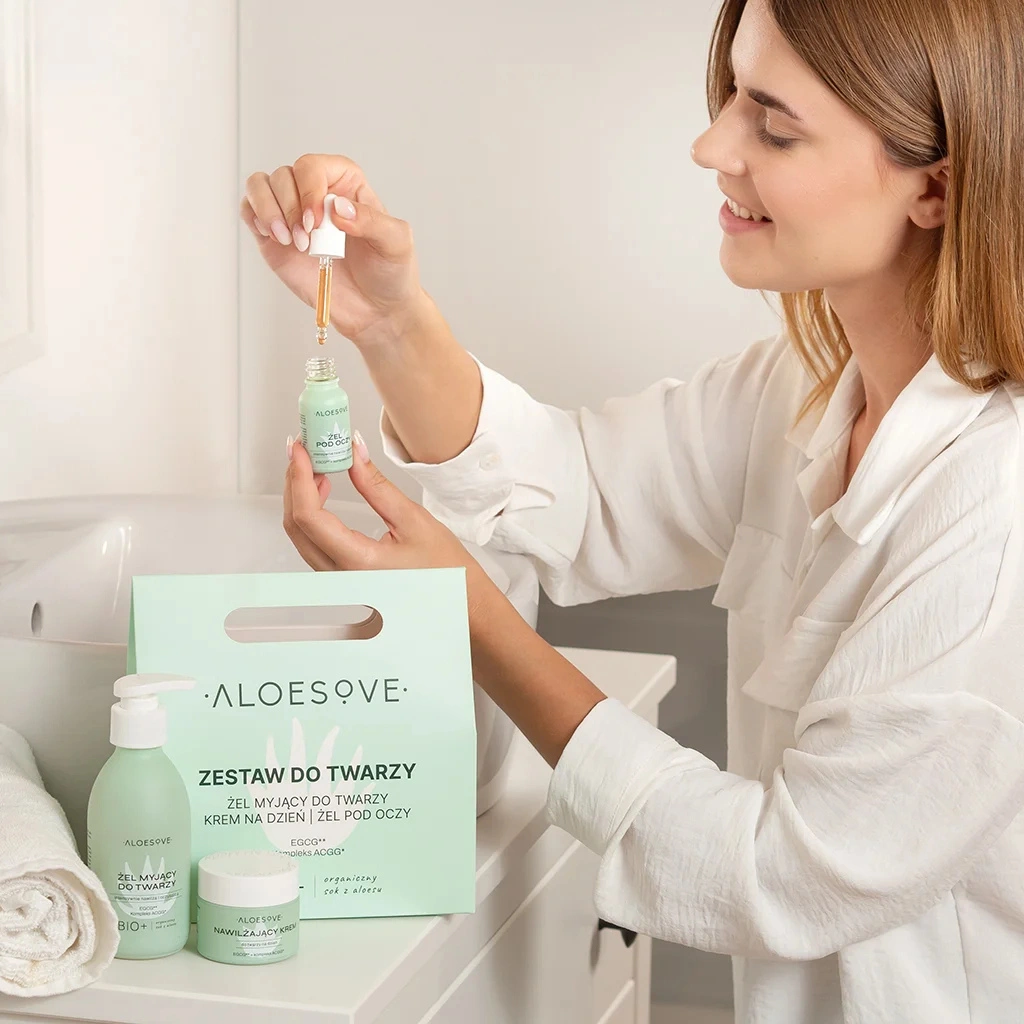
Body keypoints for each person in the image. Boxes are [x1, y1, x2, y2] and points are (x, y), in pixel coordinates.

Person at [240, 0, 1024, 1019]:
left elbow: (780, 878)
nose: (711, 147)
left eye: (773, 126)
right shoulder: (800, 391)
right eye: (731, 97)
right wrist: (388, 322)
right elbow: (576, 489)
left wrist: (476, 625)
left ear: (936, 187)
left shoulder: (992, 508)